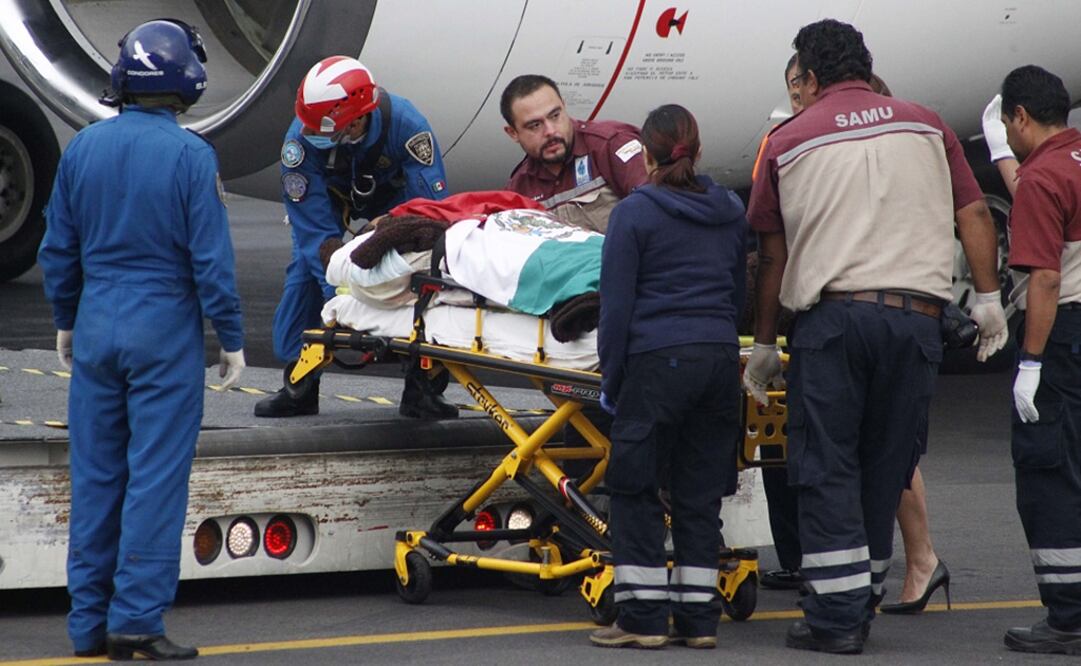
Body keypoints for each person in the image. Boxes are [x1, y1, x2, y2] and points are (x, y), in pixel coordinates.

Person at [744, 19, 1007, 654]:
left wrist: (762, 344)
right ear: (867, 66)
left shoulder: (786, 140)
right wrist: (992, 299)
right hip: (916, 321)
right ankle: (860, 598)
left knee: (826, 463)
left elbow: (770, 257)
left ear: (807, 77)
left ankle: (837, 621)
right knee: (886, 465)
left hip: (834, 323)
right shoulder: (928, 123)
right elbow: (973, 212)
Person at [38, 19, 245, 660]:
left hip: (97, 325)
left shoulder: (82, 149)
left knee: (96, 476)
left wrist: (67, 318)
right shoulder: (191, 157)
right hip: (164, 335)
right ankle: (136, 622)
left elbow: (58, 249)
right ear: (187, 81)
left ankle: (88, 626)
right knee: (153, 480)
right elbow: (211, 263)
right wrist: (231, 337)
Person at [589, 104, 747, 650]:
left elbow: (616, 309)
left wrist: (612, 380)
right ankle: (700, 621)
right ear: (697, 152)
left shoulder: (636, 213)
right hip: (719, 359)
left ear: (647, 156)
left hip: (657, 364)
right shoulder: (730, 210)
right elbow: (737, 291)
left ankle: (643, 619)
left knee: (635, 490)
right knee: (699, 494)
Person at [255, 56, 455, 419]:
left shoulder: (407, 127)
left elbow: (432, 212)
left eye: (329, 131)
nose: (317, 136)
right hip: (330, 199)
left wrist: (390, 232)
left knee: (424, 271)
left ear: (361, 116)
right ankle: (299, 384)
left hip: (397, 204)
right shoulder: (300, 143)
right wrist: (341, 302)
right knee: (306, 270)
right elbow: (315, 231)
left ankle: (422, 387)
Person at [996, 64, 1081, 656]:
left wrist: (1030, 364)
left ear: (1022, 118)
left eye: (1007, 126)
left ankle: (1068, 614)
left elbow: (1045, 279)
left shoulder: (1041, 177)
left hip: (1064, 336)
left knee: (1049, 470)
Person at [501, 74, 648, 233]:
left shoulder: (609, 144)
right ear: (513, 133)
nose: (550, 131)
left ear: (564, 106)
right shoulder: (520, 188)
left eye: (555, 116)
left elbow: (658, 209)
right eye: (535, 125)